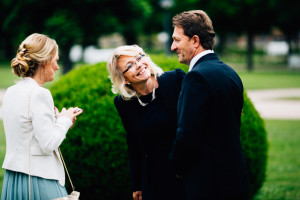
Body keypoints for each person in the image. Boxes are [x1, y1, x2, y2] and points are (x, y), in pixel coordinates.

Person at [168, 10, 250, 199]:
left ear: (195, 41)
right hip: (234, 178)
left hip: (207, 182)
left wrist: (175, 165)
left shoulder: (196, 77)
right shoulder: (229, 73)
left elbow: (187, 134)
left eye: (177, 40)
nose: (173, 47)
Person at [1, 33, 83, 200]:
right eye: (56, 60)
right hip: (38, 179)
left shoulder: (11, 92)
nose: (58, 67)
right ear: (45, 61)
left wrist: (56, 121)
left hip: (14, 180)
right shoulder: (40, 94)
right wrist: (64, 120)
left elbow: (26, 133)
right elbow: (48, 144)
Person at [107, 45, 185, 200]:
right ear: (124, 79)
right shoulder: (124, 103)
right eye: (129, 65)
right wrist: (137, 184)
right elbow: (134, 143)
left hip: (186, 171)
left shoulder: (175, 80)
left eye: (140, 57)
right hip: (155, 178)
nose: (139, 65)